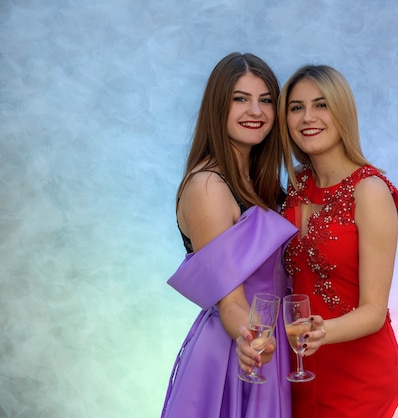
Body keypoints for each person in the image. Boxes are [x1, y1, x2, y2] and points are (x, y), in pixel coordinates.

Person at [161, 52, 297, 418]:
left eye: (265, 100)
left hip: (270, 344)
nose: (256, 111)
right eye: (240, 99)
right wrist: (250, 338)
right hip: (236, 352)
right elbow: (230, 301)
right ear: (217, 107)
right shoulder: (208, 186)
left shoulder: (258, 181)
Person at [278, 65, 398, 417]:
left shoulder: (371, 191)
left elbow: (374, 312)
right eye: (296, 107)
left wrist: (322, 332)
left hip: (358, 375)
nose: (308, 117)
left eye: (321, 105)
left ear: (342, 112)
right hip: (300, 373)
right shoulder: (297, 187)